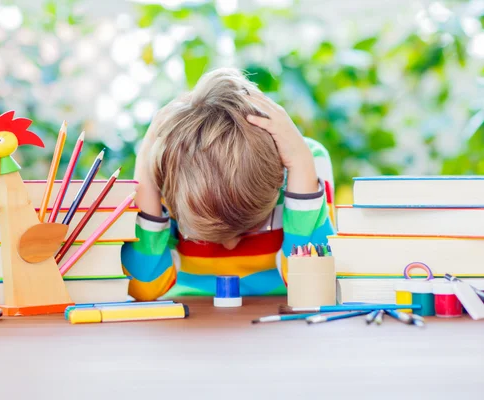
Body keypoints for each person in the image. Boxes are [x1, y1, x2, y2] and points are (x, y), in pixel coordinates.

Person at [121, 68, 336, 300]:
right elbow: (143, 287)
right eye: (202, 236)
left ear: (279, 180)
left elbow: (318, 287)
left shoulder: (305, 163)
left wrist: (302, 166)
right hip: (194, 320)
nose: (231, 245)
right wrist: (146, 168)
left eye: (250, 229)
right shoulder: (170, 171)